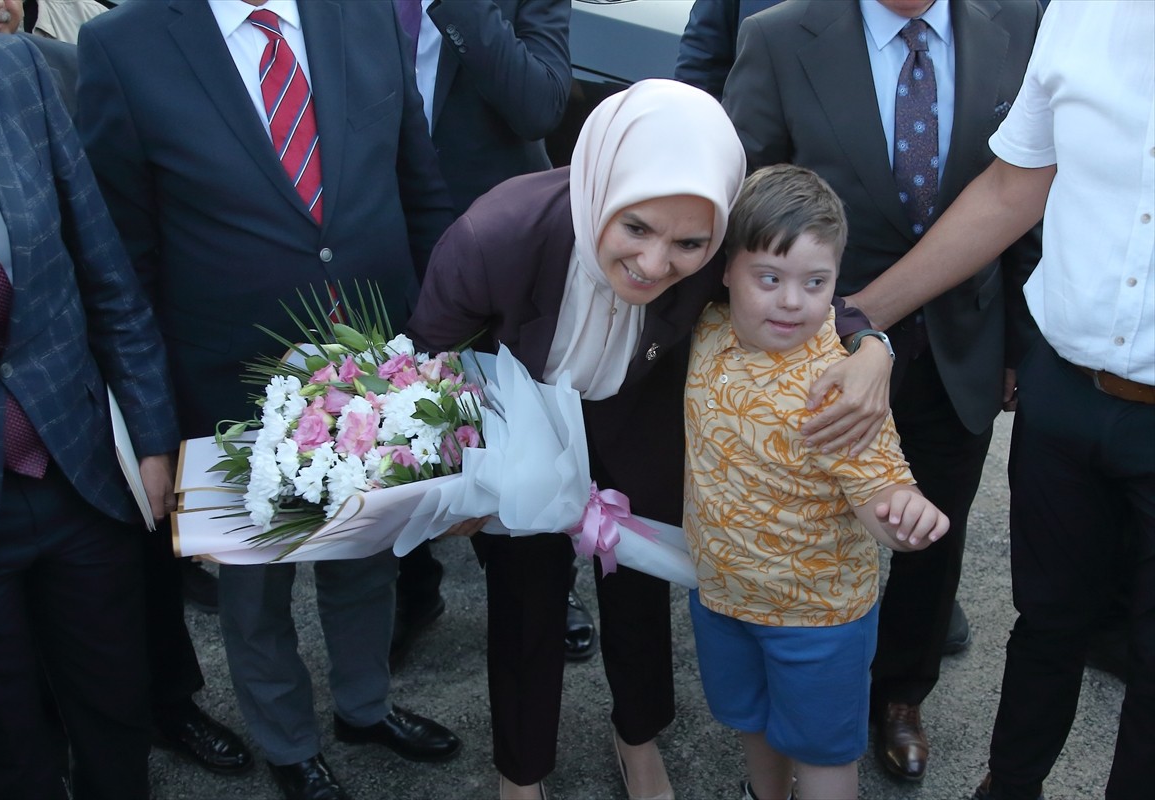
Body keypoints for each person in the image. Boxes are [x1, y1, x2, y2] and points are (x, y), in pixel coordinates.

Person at [407, 78, 892, 800]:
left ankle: (637, 737)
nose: (658, 263)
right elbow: (425, 370)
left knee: (639, 595)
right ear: (600, 184)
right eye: (635, 227)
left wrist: (873, 346)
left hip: (641, 424)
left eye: (690, 243)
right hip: (522, 427)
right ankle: (520, 773)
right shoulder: (493, 237)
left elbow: (810, 294)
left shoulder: (718, 244)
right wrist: (452, 482)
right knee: (523, 600)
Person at [76, 2, 459, 799]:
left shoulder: (363, 15)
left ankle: (363, 705)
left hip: (373, 374)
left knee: (365, 559)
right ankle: (288, 746)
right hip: (222, 385)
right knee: (253, 593)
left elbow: (419, 192)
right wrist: (153, 423)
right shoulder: (123, 45)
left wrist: (438, 352)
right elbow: (124, 260)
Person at [720, 0, 1043, 780]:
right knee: (812, 527)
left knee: (936, 531)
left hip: (960, 345)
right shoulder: (777, 35)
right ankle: (800, 692)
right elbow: (743, 201)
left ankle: (901, 694)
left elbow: (1027, 198)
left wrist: (1018, 346)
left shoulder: (1020, 23)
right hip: (819, 356)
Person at [846, 2, 1153, 797]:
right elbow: (1015, 186)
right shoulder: (1082, 13)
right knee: (1045, 626)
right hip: (1066, 393)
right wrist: (855, 321)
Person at [0, 0, 252, 778]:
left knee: (115, 708)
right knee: (2, 742)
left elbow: (108, 275)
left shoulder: (7, 71)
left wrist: (153, 440)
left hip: (78, 472)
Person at [685, 163, 950, 800]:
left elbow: (880, 488)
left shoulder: (840, 384)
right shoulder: (708, 329)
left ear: (837, 280)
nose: (792, 301)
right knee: (751, 722)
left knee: (824, 751)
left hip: (817, 618)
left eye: (816, 282)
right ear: (727, 270)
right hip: (721, 596)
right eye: (768, 278)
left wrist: (906, 515)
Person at [389, 0, 581, 664]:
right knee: (399, 412)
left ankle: (544, 582)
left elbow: (539, 106)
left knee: (519, 416)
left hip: (497, 239)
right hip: (382, 223)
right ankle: (411, 586)